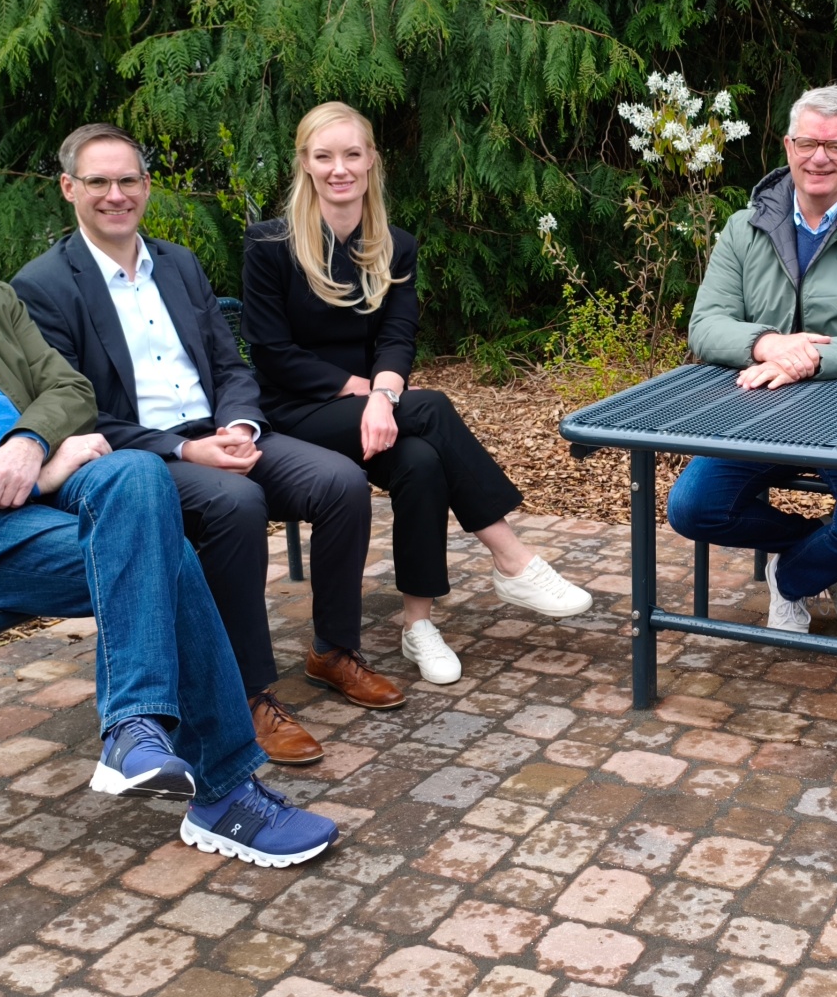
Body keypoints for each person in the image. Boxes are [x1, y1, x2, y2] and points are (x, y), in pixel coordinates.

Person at [0, 134, 334, 868]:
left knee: (137, 475)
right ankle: (223, 791)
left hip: (45, 485)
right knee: (165, 555)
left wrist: (29, 443)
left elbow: (68, 389)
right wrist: (35, 472)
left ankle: (136, 731)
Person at [14, 124, 402, 764]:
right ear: (68, 188)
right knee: (235, 505)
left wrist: (242, 426)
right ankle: (245, 696)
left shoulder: (178, 264)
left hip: (223, 431)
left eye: (129, 180)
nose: (116, 194)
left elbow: (231, 366)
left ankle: (334, 651)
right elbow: (75, 408)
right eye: (99, 182)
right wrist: (183, 450)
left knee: (339, 482)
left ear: (145, 186)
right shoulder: (45, 285)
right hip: (142, 456)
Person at [241, 101, 592, 686]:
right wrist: (369, 394)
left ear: (372, 160)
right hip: (293, 413)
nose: (339, 169)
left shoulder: (394, 245)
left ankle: (417, 625)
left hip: (374, 412)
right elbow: (270, 352)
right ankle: (511, 556)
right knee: (429, 407)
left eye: (352, 154)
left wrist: (381, 397)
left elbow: (399, 335)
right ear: (304, 164)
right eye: (324, 157)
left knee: (423, 460)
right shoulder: (270, 245)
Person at [666, 84, 837, 633]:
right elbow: (705, 326)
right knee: (691, 510)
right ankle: (812, 550)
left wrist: (809, 358)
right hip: (759, 411)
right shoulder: (744, 228)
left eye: (836, 146)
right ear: (788, 146)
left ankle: (792, 574)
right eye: (809, 142)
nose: (820, 157)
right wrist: (769, 344)